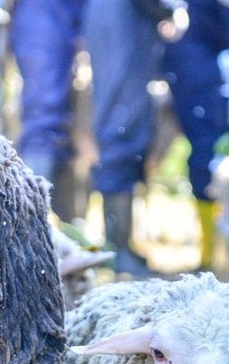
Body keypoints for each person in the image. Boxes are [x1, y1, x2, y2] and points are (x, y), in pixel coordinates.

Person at [82, 0, 187, 276]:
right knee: (120, 124)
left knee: (125, 121)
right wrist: (170, 9)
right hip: (122, 20)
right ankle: (117, 249)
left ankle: (121, 246)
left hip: (124, 18)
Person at [161, 0, 229, 270]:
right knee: (207, 147)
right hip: (197, 47)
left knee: (226, 143)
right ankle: (209, 253)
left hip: (228, 43)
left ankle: (217, 248)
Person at [8, 0, 85, 224]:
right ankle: (28, 222)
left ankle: (65, 224)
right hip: (45, 8)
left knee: (67, 119)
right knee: (44, 115)